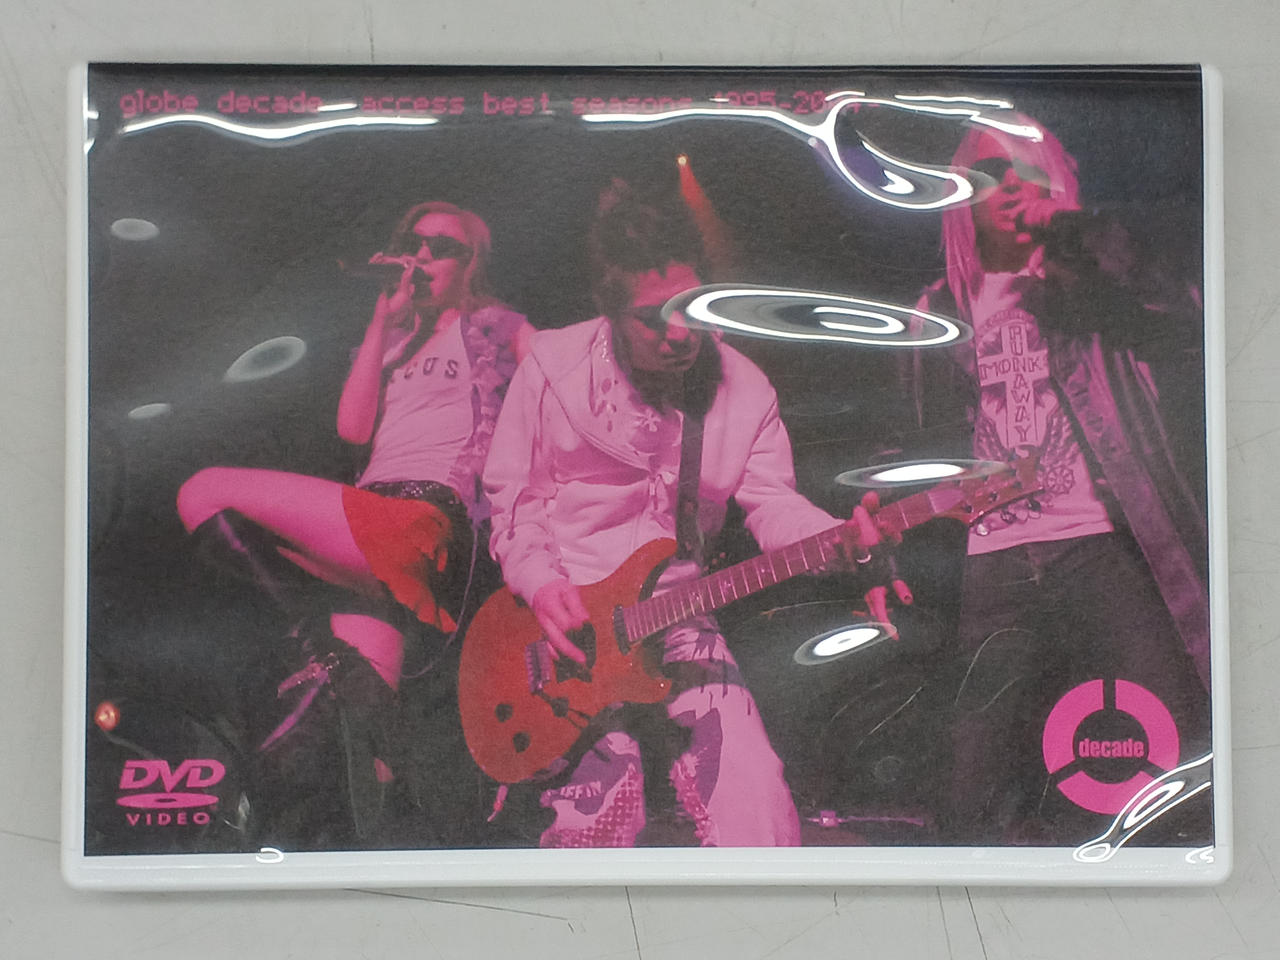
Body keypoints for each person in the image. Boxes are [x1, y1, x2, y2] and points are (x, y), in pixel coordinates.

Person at [482, 187, 884, 847]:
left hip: (680, 616)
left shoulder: (745, 388)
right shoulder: (552, 368)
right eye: (652, 318)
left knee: (761, 813)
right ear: (610, 310)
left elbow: (773, 502)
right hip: (567, 628)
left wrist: (833, 539)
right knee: (600, 822)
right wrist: (541, 584)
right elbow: (515, 500)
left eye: (692, 308)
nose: (680, 333)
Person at [176, 201, 532, 843]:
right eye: (413, 242)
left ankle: (314, 640)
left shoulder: (494, 326)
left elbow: (560, 381)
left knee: (204, 492)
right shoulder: (394, 342)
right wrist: (380, 324)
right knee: (363, 752)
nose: (420, 256)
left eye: (441, 248)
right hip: (370, 528)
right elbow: (352, 428)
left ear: (472, 264)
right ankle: (404, 844)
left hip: (423, 519)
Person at [904, 117, 1211, 844]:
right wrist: (904, 558)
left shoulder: (1093, 282)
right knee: (973, 775)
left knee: (1167, 734)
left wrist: (1081, 239)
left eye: (1027, 172)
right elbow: (927, 449)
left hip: (1098, 542)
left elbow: (1182, 313)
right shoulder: (938, 311)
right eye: (991, 174)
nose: (1011, 188)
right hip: (994, 557)